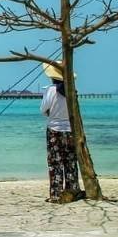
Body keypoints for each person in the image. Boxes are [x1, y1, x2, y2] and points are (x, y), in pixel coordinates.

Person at [40, 62, 80, 203]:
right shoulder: (72, 90)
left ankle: (56, 195)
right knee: (70, 162)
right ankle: (73, 191)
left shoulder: (51, 90)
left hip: (54, 130)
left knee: (55, 163)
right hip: (70, 131)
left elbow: (43, 110)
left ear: (52, 77)